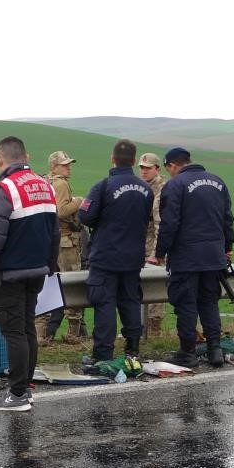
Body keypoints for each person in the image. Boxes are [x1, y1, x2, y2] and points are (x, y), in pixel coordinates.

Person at [0, 136, 59, 412]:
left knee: (14, 333)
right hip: (37, 271)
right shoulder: (45, 186)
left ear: (0, 160)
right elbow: (54, 232)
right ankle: (24, 388)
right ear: (27, 157)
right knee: (26, 328)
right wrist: (50, 265)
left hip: (9, 274)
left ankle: (18, 393)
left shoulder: (4, 189)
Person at [149, 147, 234, 368]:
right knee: (209, 302)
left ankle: (188, 353)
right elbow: (227, 218)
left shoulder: (175, 185)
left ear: (173, 165)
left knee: (186, 304)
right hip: (214, 256)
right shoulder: (218, 182)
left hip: (186, 257)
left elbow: (169, 223)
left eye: (169, 169)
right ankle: (215, 350)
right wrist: (227, 246)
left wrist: (159, 253)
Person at [77, 139, 153, 361]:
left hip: (106, 257)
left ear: (113, 159)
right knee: (130, 301)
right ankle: (133, 350)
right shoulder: (146, 189)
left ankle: (103, 354)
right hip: (133, 257)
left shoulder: (103, 186)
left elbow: (85, 216)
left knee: (105, 304)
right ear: (133, 160)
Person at [35, 151, 85, 345]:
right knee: (72, 283)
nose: (68, 167)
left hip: (46, 240)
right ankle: (74, 333)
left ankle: (40, 333)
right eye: (65, 165)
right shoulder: (61, 183)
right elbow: (61, 211)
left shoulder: (43, 182)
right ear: (54, 166)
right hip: (64, 240)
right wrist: (78, 201)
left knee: (46, 285)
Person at [139, 152, 167, 337]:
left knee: (155, 286)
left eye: (148, 168)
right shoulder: (138, 185)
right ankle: (140, 329)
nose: (144, 171)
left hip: (155, 242)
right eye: (141, 167)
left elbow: (160, 224)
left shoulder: (163, 188)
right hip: (139, 241)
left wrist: (157, 252)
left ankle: (154, 329)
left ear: (157, 168)